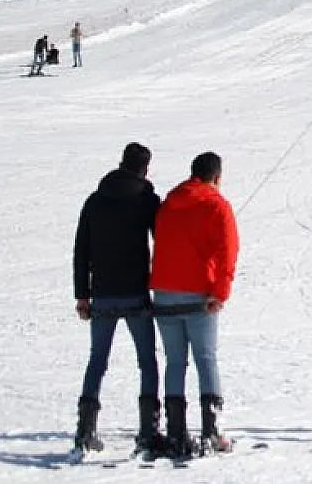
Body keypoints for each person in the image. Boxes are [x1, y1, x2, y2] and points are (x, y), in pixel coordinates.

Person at [72, 142, 167, 456]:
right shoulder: (146, 200)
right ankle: (148, 432)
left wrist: (82, 295)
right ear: (145, 168)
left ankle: (85, 431)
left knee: (97, 360)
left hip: (101, 294)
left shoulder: (95, 200)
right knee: (147, 362)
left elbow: (81, 251)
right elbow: (164, 243)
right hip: (136, 292)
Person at [151, 151, 240, 457]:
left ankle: (176, 432)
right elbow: (228, 252)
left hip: (163, 292)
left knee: (175, 362)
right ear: (217, 177)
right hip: (198, 295)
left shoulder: (168, 205)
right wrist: (220, 293)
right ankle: (212, 431)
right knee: (206, 359)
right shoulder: (217, 205)